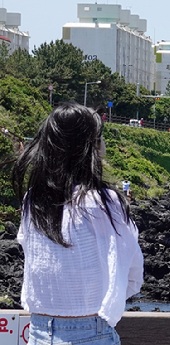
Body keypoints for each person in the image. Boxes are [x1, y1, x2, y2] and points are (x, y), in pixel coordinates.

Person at [13, 101, 143, 345]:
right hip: (90, 331)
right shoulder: (104, 202)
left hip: (39, 331)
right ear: (92, 147)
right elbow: (132, 273)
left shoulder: (34, 201)